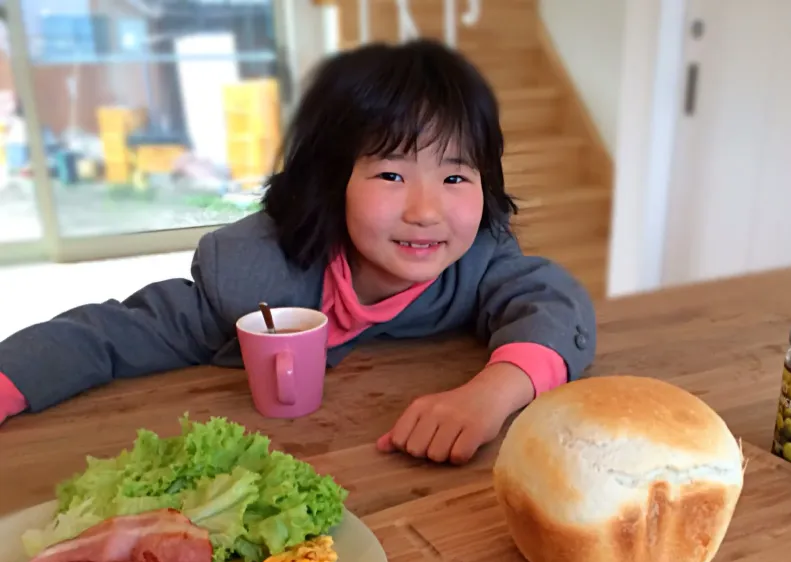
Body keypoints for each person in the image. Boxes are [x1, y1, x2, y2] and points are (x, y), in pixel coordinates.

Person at [0, 39, 597, 464]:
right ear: (329, 180)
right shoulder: (246, 279)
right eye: (390, 175)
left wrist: (493, 393)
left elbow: (555, 302)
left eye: (456, 178)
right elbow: (111, 333)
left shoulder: (479, 262)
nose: (426, 210)